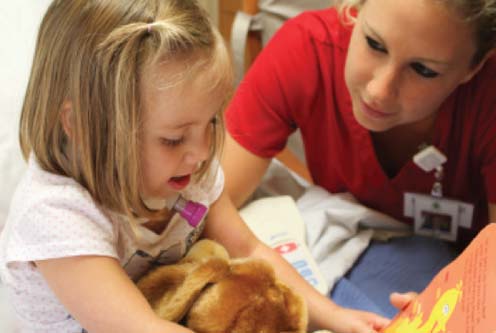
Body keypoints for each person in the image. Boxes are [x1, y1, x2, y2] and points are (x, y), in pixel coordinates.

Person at [0, 1, 406, 332]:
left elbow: (248, 249)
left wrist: (334, 317)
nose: (201, 153)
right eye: (173, 139)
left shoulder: (189, 169)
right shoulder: (57, 217)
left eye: (211, 122)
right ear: (83, 128)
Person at [220, 0, 496, 320]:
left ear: (473, 68)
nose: (379, 91)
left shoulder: (492, 96)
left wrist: (456, 311)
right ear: (353, 8)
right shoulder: (307, 49)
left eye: (423, 70)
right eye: (374, 44)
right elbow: (207, 206)